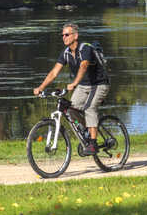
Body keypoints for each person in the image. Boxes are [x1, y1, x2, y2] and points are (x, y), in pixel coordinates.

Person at [33, 23, 109, 155]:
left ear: (75, 35)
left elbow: (84, 66)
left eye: (67, 34)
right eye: (62, 35)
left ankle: (93, 143)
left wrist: (74, 83)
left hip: (99, 84)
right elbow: (54, 73)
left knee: (89, 108)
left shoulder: (85, 49)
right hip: (83, 85)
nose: (64, 37)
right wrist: (41, 87)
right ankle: (89, 131)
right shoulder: (66, 53)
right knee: (70, 109)